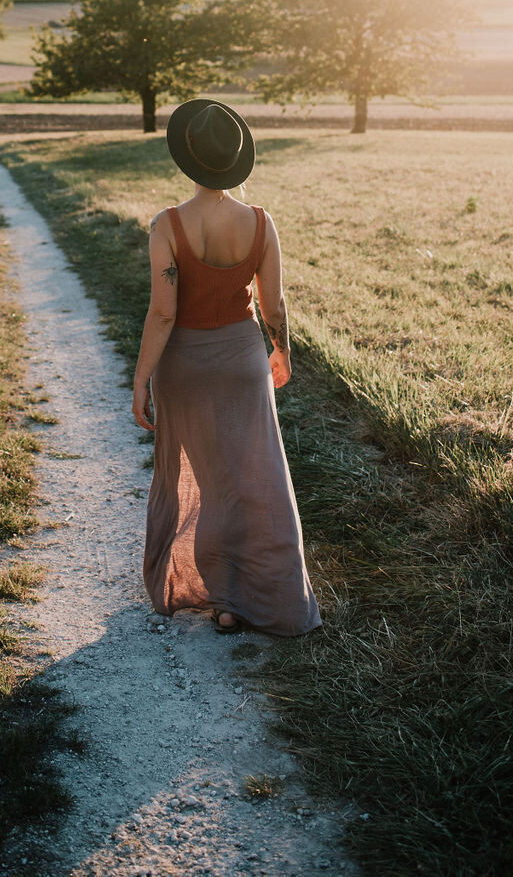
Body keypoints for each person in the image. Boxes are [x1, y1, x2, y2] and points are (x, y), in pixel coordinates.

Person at [133, 98, 321, 636]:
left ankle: (221, 593)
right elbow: (274, 304)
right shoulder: (261, 224)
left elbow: (163, 312)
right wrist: (281, 349)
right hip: (242, 361)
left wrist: (141, 378)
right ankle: (243, 597)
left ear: (187, 161)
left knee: (210, 480)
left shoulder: (167, 225)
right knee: (254, 479)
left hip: (184, 370)